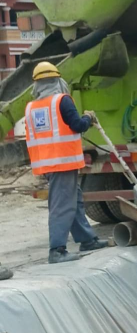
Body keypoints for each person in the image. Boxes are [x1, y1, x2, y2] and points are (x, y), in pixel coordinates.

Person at [23, 62, 110, 264]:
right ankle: (57, 250)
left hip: (47, 163)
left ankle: (87, 239)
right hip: (63, 162)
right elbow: (78, 126)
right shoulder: (62, 101)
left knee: (75, 201)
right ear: (57, 80)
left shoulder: (31, 107)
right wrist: (88, 117)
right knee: (62, 205)